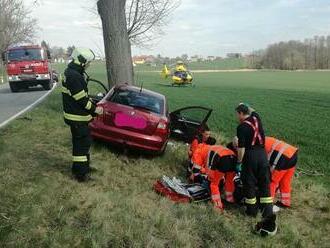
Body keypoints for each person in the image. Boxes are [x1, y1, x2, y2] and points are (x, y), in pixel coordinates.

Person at [62, 47, 103, 182]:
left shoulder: (72, 72)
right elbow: (82, 101)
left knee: (82, 144)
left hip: (75, 116)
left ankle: (82, 167)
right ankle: (81, 175)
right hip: (77, 118)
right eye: (88, 62)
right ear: (81, 61)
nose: (89, 65)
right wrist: (95, 110)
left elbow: (79, 95)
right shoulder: (74, 76)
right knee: (81, 146)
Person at [235, 103, 277, 236]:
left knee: (249, 183)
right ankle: (267, 211)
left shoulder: (241, 127)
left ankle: (251, 211)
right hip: (262, 155)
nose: (237, 117)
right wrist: (245, 105)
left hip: (251, 156)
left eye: (237, 114)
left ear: (241, 113)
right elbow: (253, 110)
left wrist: (239, 162)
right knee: (265, 183)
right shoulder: (256, 118)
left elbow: (241, 148)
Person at [191, 144, 237, 210]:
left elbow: (198, 169)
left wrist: (195, 176)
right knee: (229, 181)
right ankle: (230, 199)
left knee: (214, 184)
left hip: (223, 159)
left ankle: (218, 205)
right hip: (233, 157)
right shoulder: (213, 148)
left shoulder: (200, 152)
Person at [265, 136, 298, 208]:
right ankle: (285, 203)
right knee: (285, 181)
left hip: (282, 157)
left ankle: (267, 206)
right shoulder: (264, 138)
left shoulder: (253, 146)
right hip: (293, 154)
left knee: (272, 181)